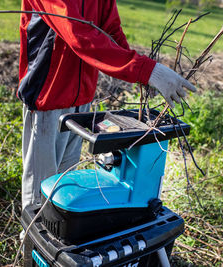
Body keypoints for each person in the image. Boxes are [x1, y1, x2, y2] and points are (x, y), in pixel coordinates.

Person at [18, 0, 197, 216]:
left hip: (80, 100)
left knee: (61, 187)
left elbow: (110, 30)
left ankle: (57, 237)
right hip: (48, 96)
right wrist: (146, 71)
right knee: (40, 192)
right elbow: (78, 35)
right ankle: (29, 244)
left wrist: (142, 75)